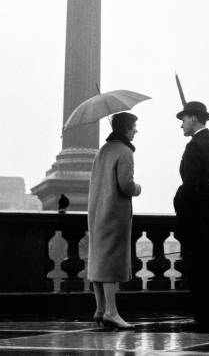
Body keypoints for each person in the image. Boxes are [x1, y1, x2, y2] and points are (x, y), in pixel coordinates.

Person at [87, 112, 141, 329]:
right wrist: (138, 188)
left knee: (99, 259)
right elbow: (126, 185)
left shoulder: (103, 151)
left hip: (97, 212)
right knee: (111, 262)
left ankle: (100, 309)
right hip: (115, 213)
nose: (136, 130)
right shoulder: (125, 151)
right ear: (126, 128)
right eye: (134, 126)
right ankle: (111, 311)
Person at [173, 101, 209, 330]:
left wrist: (179, 201)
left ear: (193, 119)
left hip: (194, 217)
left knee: (197, 267)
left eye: (183, 119)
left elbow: (191, 183)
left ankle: (203, 315)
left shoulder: (194, 146)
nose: (181, 125)